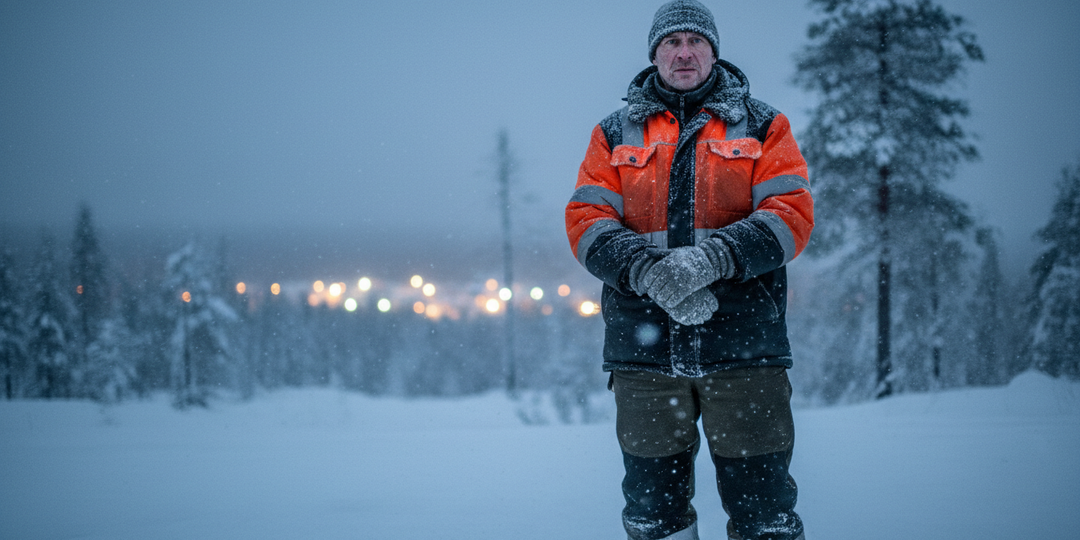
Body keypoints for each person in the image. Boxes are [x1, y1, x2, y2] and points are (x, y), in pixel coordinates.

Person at [564, 1, 814, 539]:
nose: (683, 53)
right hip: (645, 355)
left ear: (713, 51)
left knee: (764, 516)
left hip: (744, 349)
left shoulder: (765, 125)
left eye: (695, 42)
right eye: (671, 43)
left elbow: (790, 215)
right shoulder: (614, 134)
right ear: (654, 54)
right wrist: (647, 271)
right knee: (655, 518)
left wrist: (711, 259)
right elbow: (586, 221)